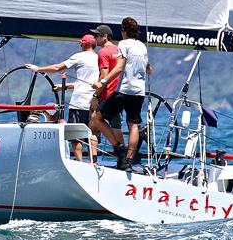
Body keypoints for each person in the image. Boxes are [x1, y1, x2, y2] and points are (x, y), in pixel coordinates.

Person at [92, 17, 153, 173]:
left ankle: (119, 149)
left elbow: (119, 68)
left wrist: (102, 82)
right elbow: (149, 69)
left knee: (97, 117)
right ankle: (128, 160)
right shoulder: (142, 46)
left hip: (124, 90)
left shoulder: (124, 44)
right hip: (139, 92)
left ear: (124, 31)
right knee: (133, 124)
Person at [26, 34, 98, 161]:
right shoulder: (99, 59)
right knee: (91, 134)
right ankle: (94, 163)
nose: (80, 45)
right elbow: (88, 82)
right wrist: (64, 86)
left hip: (79, 102)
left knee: (76, 137)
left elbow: (57, 67)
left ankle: (80, 163)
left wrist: (38, 69)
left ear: (85, 44)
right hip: (94, 102)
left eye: (81, 43)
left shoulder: (79, 56)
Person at [89, 24, 127, 164]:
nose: (95, 38)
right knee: (116, 126)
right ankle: (123, 159)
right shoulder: (119, 50)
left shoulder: (103, 53)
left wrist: (95, 96)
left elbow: (103, 75)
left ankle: (119, 150)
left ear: (105, 36)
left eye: (97, 35)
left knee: (95, 119)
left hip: (107, 94)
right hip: (120, 94)